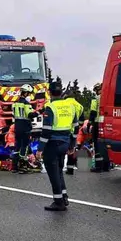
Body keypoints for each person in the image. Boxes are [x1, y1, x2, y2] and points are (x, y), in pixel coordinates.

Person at [39, 81, 76, 211]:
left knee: (53, 173)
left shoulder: (50, 107)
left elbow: (46, 131)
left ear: (49, 93)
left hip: (53, 144)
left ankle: (58, 202)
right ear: (61, 92)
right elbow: (75, 127)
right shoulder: (70, 107)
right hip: (65, 143)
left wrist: (40, 149)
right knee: (59, 171)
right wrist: (72, 145)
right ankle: (64, 196)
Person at [11, 84, 38, 174]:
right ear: (26, 93)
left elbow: (14, 115)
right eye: (29, 94)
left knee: (17, 146)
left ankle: (14, 166)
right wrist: (39, 112)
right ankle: (22, 166)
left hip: (17, 127)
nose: (30, 96)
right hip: (25, 128)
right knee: (24, 147)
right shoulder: (26, 103)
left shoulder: (15, 103)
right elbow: (30, 115)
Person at [61, 89, 85, 176]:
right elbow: (81, 122)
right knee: (71, 150)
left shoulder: (63, 104)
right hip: (74, 131)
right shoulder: (80, 106)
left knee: (61, 149)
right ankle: (70, 169)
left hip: (63, 130)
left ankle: (59, 168)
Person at [87, 83, 110, 172]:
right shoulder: (107, 98)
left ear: (96, 90)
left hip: (97, 123)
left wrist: (89, 123)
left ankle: (98, 167)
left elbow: (93, 112)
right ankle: (106, 166)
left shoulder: (96, 98)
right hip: (106, 124)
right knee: (105, 144)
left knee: (97, 144)